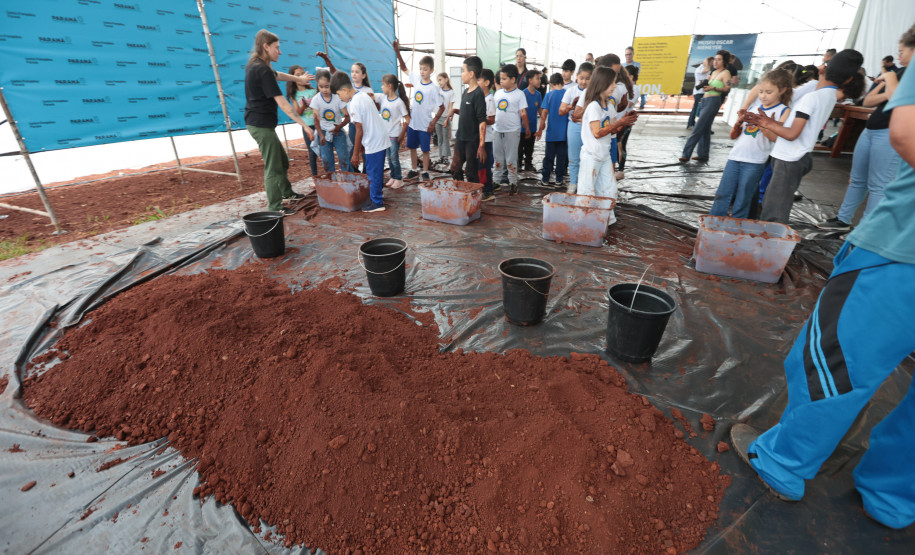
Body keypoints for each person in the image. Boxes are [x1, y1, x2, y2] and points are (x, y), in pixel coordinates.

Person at [730, 62, 915, 531]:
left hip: (902, 251)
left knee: (838, 362)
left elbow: (908, 132)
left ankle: (783, 462)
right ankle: (894, 495)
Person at [745, 49, 864, 224]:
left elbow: (792, 134)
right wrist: (772, 123)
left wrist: (767, 124)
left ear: (822, 70)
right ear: (847, 80)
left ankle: (770, 243)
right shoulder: (830, 96)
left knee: (774, 209)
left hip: (790, 157)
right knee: (774, 201)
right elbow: (799, 127)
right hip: (798, 155)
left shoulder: (812, 98)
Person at [818, 26, 913, 231]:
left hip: (890, 134)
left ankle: (865, 230)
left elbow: (900, 101)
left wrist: (889, 80)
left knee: (879, 185)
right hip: (871, 129)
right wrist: (890, 83)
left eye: (901, 51)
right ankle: (843, 220)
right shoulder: (899, 73)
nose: (898, 55)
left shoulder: (901, 76)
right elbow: (868, 101)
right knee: (857, 179)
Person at [243, 30, 315, 216]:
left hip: (261, 123)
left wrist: (297, 79)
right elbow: (283, 104)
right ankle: (275, 206)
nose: (280, 52)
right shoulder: (261, 69)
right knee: (273, 166)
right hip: (260, 125)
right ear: (266, 47)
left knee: (281, 161)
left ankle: (287, 192)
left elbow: (279, 75)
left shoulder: (258, 65)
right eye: (277, 48)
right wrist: (305, 125)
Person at [709, 69, 792, 219]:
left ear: (783, 90)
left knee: (743, 198)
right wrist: (738, 125)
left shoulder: (784, 111)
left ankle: (736, 227)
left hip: (755, 161)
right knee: (723, 194)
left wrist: (763, 123)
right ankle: (713, 223)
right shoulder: (754, 107)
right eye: (760, 91)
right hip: (735, 157)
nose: (763, 96)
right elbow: (733, 136)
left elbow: (776, 139)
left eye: (768, 92)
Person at [578, 66, 637, 226]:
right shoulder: (593, 107)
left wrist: (625, 121)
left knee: (609, 188)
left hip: (603, 155)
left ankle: (605, 221)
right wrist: (619, 123)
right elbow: (597, 132)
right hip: (591, 156)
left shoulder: (609, 107)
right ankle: (584, 223)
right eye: (612, 83)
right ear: (602, 84)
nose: (614, 86)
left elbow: (612, 131)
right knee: (587, 191)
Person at [331, 72, 389, 213]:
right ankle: (376, 197)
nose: (340, 98)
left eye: (339, 95)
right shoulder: (363, 95)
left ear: (344, 90)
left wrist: (355, 154)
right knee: (373, 171)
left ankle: (377, 202)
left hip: (374, 141)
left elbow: (359, 129)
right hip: (377, 138)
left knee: (373, 173)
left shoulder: (354, 103)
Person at [393, 39, 445, 182]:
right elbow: (404, 68)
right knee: (412, 147)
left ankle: (426, 171)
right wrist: (397, 51)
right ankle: (414, 169)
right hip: (413, 123)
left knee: (426, 150)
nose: (422, 71)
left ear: (431, 71)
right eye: (421, 68)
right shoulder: (416, 79)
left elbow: (442, 107)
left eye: (425, 69)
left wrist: (433, 122)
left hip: (425, 124)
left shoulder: (434, 88)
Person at [316, 51, 376, 165]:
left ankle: (366, 170)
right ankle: (355, 171)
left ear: (363, 75)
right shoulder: (348, 86)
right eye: (352, 71)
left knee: (365, 147)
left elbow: (375, 108)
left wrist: (373, 99)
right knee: (354, 148)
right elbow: (335, 74)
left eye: (357, 72)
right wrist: (326, 60)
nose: (354, 74)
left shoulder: (368, 91)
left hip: (365, 124)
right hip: (354, 124)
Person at [679, 49, 732, 163]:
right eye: (715, 59)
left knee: (698, 127)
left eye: (719, 60)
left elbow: (728, 88)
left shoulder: (726, 73)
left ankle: (686, 154)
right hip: (705, 100)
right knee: (705, 129)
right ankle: (703, 155)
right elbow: (708, 85)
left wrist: (713, 88)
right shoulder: (713, 72)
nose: (715, 62)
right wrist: (704, 84)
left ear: (724, 61)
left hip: (713, 101)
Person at [451, 56, 489, 198]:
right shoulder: (465, 92)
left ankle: (474, 199)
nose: (462, 74)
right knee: (455, 168)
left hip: (472, 141)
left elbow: (482, 121)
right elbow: (467, 113)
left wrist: (481, 145)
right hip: (460, 138)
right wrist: (454, 111)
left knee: (471, 172)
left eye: (463, 71)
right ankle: (461, 194)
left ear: (471, 74)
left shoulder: (478, 95)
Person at [492, 63, 530, 196]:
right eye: (500, 79)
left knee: (511, 159)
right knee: (497, 158)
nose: (501, 81)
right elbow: (494, 110)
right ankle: (496, 182)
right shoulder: (497, 94)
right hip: (497, 130)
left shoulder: (519, 95)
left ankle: (513, 183)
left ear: (513, 79)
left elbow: (523, 113)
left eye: (504, 79)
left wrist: (527, 128)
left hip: (512, 131)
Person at [309, 69, 352, 174]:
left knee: (343, 157)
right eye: (321, 87)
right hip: (323, 131)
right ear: (317, 86)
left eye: (327, 86)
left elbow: (347, 117)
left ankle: (347, 179)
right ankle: (331, 181)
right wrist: (321, 135)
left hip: (338, 131)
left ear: (331, 84)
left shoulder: (337, 97)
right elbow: (316, 120)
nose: (324, 90)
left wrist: (339, 126)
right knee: (327, 160)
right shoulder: (316, 99)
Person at [560, 62, 593, 193]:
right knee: (573, 157)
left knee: (589, 157)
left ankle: (586, 184)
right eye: (581, 78)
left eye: (587, 78)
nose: (584, 81)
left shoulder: (595, 93)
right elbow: (561, 110)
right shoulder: (571, 91)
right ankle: (573, 182)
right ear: (577, 76)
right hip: (574, 127)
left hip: (590, 128)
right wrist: (570, 107)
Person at [286, 65, 319, 179]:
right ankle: (315, 176)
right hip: (307, 126)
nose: (301, 77)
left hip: (318, 125)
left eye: (302, 74)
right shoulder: (294, 95)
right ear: (292, 78)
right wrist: (303, 106)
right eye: (297, 75)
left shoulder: (313, 91)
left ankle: (329, 173)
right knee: (312, 151)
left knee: (324, 149)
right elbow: (297, 113)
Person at [379, 74, 410, 189]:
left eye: (383, 85)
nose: (382, 87)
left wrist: (402, 134)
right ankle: (393, 176)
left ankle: (399, 178)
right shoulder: (383, 98)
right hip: (386, 135)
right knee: (389, 157)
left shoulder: (399, 102)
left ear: (390, 86)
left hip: (394, 135)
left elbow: (407, 119)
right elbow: (372, 96)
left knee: (394, 157)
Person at [540, 73, 569, 186]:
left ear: (551, 84)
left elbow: (544, 113)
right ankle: (559, 179)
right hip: (564, 134)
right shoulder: (567, 94)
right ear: (562, 82)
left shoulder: (549, 95)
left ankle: (545, 179)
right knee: (561, 158)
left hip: (551, 133)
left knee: (549, 157)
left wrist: (541, 127)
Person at [617, 65, 641, 179]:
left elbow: (628, 104)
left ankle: (620, 169)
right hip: (617, 121)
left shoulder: (634, 88)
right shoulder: (621, 87)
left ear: (631, 76)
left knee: (621, 144)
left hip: (625, 123)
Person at [519, 69, 543, 172]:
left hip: (533, 126)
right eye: (537, 78)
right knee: (520, 148)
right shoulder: (523, 94)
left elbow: (540, 109)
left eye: (540, 79)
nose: (539, 81)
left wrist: (543, 120)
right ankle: (518, 164)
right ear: (530, 80)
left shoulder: (538, 95)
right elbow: (520, 111)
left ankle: (528, 164)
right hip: (521, 128)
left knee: (530, 148)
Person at [478, 69, 497, 191]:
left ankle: (487, 189)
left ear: (486, 83)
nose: (476, 82)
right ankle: (482, 186)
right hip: (480, 137)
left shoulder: (489, 99)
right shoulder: (479, 97)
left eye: (479, 80)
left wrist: (481, 120)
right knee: (480, 164)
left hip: (487, 138)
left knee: (484, 164)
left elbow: (492, 119)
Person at [435, 72, 456, 165]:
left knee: (445, 138)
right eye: (438, 80)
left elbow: (451, 106)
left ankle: (446, 157)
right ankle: (441, 157)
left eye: (440, 80)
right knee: (439, 138)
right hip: (437, 117)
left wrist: (448, 118)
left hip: (445, 118)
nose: (439, 82)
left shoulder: (451, 92)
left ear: (446, 79)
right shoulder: (438, 90)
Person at [687, 57, 713, 129]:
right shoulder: (700, 68)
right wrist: (706, 63)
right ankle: (691, 124)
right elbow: (706, 70)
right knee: (696, 108)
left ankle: (695, 124)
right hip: (699, 92)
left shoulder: (704, 69)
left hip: (702, 92)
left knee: (700, 109)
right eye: (712, 62)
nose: (713, 64)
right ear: (709, 62)